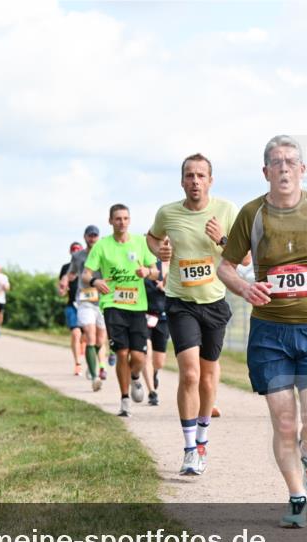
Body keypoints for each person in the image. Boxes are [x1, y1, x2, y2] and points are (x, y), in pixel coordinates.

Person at [218, 135, 307, 527]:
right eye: (276, 162)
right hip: (269, 334)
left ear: (302, 169)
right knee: (283, 422)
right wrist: (245, 287)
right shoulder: (252, 214)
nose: (283, 168)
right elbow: (225, 266)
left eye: (290, 161)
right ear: (265, 172)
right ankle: (296, 496)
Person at [147, 153, 241, 476]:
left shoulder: (227, 211)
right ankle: (188, 449)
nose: (195, 181)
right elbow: (152, 236)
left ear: (210, 181)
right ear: (182, 180)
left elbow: (245, 256)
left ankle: (202, 440)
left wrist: (223, 240)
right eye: (189, 175)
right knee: (189, 374)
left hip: (214, 302)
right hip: (180, 302)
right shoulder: (168, 213)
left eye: (201, 175)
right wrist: (158, 251)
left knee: (208, 375)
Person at [82, 204, 159, 418]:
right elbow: (86, 275)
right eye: (118, 219)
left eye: (125, 218)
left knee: (139, 357)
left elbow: (155, 272)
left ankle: (136, 377)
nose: (122, 222)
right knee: (122, 353)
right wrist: (96, 281)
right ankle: (125, 400)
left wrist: (147, 271)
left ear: (130, 220)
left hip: (137, 306)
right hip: (113, 305)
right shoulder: (102, 246)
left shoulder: (140, 242)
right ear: (110, 221)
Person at [68, 227, 111, 391]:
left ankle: (92, 361)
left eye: (95, 236)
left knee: (101, 340)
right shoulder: (78, 256)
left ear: (98, 237)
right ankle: (94, 377)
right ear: (85, 237)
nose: (92, 238)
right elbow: (71, 273)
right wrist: (65, 281)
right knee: (90, 336)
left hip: (103, 300)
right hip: (85, 299)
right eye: (90, 236)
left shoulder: (104, 252)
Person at [141, 262, 168, 408]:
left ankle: (154, 373)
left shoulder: (169, 265)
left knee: (159, 362)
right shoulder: (140, 267)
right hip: (144, 315)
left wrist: (165, 287)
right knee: (146, 354)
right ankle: (152, 392)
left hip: (163, 318)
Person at [59, 242, 85, 375]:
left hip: (87, 305)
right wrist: (62, 290)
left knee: (86, 336)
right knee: (76, 334)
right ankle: (78, 364)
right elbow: (62, 288)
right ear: (70, 252)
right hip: (72, 305)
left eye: (78, 250)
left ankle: (83, 346)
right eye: (73, 250)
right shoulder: (65, 268)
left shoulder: (88, 265)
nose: (75, 252)